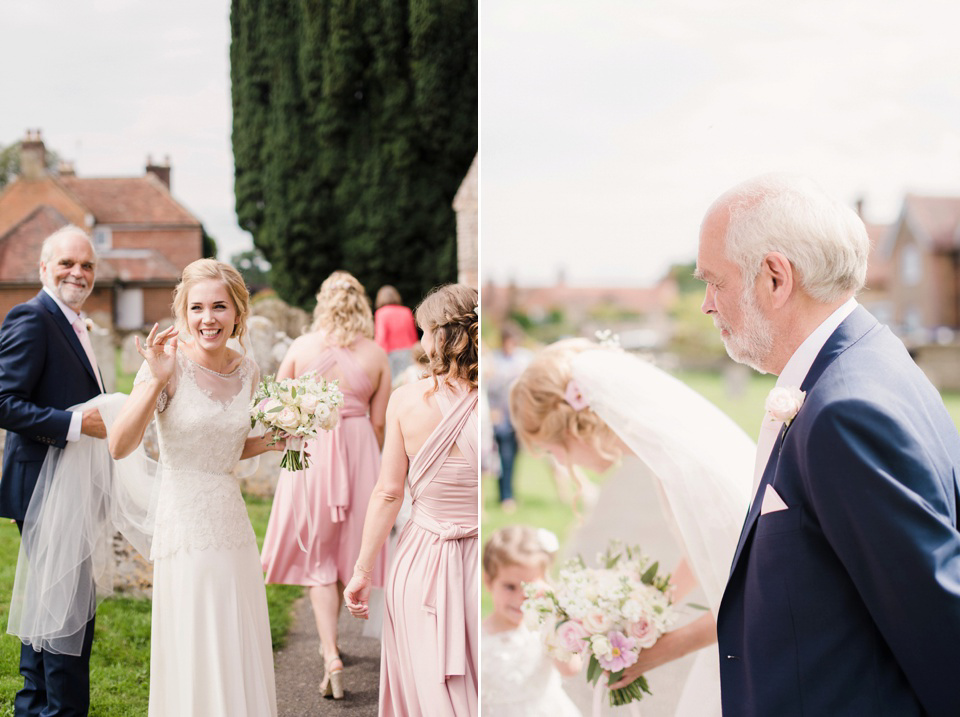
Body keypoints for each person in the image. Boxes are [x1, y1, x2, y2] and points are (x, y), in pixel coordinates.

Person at [696, 173, 960, 716]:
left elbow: (941, 631)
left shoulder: (846, 411)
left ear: (774, 277)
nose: (705, 304)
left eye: (714, 282)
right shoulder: (868, 362)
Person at [509, 338, 754, 716]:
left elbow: (754, 595)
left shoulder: (684, 465)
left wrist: (659, 650)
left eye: (550, 449)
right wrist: (646, 610)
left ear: (573, 427)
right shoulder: (663, 455)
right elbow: (707, 552)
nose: (557, 461)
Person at [108, 259, 280, 716]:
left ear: (238, 312)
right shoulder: (168, 366)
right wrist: (156, 380)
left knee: (235, 631)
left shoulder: (249, 371)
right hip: (185, 521)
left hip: (231, 519)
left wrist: (275, 439)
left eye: (220, 306)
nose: (209, 319)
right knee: (197, 635)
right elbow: (119, 444)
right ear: (184, 314)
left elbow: (225, 444)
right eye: (198, 308)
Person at [344, 283, 479, 716]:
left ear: (440, 336)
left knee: (422, 685)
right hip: (483, 563)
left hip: (422, 562)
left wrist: (362, 571)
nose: (419, 341)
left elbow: (387, 493)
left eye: (424, 330)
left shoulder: (405, 401)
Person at [260, 270, 391, 699]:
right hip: (359, 456)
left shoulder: (301, 347)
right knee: (346, 553)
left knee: (319, 556)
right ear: (361, 304)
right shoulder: (376, 355)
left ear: (322, 302)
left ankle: (331, 653)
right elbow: (378, 424)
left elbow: (274, 407)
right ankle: (331, 642)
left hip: (309, 454)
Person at [0, 225, 106, 717]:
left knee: (50, 613)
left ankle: (35, 708)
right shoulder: (33, 317)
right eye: (66, 263)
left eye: (86, 265)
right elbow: (4, 403)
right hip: (43, 485)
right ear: (44, 268)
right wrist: (74, 424)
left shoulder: (74, 322)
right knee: (64, 619)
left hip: (69, 488)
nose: (77, 273)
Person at [481, 524, 581, 717]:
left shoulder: (547, 627)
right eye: (510, 587)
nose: (521, 597)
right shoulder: (478, 637)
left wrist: (556, 617)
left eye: (530, 588)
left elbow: (571, 668)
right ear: (488, 582)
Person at [486, 325, 533, 512]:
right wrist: (493, 410)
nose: (509, 346)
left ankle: (508, 493)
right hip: (501, 415)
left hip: (519, 415)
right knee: (503, 455)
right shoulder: (494, 359)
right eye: (507, 343)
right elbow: (489, 386)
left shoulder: (525, 358)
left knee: (513, 456)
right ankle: (506, 496)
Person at [374, 284, 419, 379]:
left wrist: (377, 354)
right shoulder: (406, 311)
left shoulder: (381, 313)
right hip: (408, 351)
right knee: (408, 380)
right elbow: (413, 334)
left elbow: (381, 337)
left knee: (393, 383)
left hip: (390, 353)